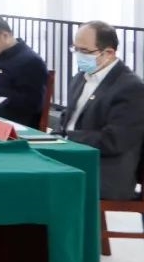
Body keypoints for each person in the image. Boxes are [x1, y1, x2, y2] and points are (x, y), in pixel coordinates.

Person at [53, 21, 144, 200]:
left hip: (105, 172)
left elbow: (114, 141)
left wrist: (68, 138)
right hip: (72, 157)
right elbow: (66, 119)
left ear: (108, 53)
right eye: (75, 49)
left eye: (85, 51)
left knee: (45, 188)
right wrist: (54, 137)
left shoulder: (130, 88)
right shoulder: (80, 78)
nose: (78, 55)